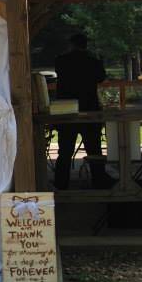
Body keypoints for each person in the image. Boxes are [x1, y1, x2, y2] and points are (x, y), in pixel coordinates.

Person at [53, 33, 117, 190]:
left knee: (65, 150)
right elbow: (101, 78)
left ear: (71, 45)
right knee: (94, 148)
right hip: (89, 108)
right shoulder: (93, 61)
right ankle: (99, 179)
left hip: (67, 110)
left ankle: (61, 183)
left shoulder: (61, 61)